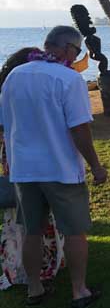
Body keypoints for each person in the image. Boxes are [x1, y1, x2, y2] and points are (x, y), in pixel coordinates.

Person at [0, 26, 107, 308]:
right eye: (75, 52)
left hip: (23, 170)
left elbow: (5, 121)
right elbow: (80, 128)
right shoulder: (69, 78)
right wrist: (96, 166)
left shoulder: (14, 76)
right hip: (60, 168)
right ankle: (79, 291)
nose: (75, 58)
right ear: (67, 49)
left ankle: (35, 289)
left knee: (31, 231)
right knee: (74, 232)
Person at [0, 47, 65, 294]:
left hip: (14, 157)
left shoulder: (8, 91)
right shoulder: (34, 90)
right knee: (43, 215)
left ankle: (22, 266)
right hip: (39, 157)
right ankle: (48, 263)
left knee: (21, 219)